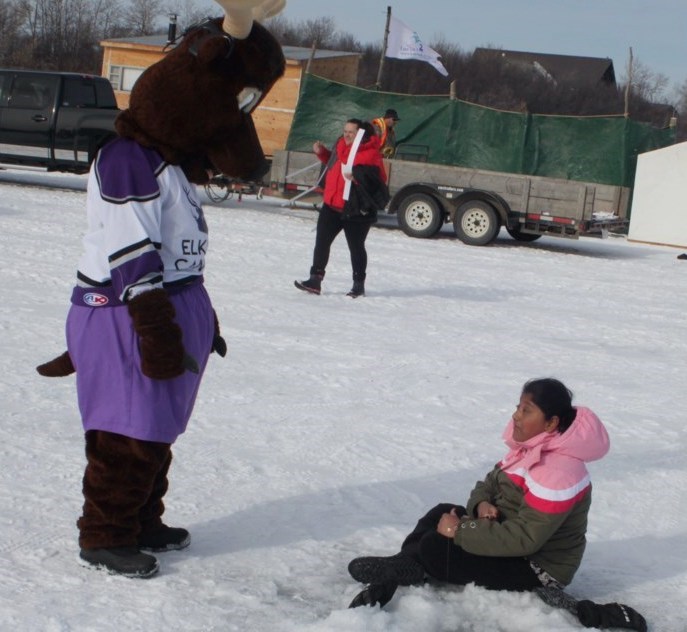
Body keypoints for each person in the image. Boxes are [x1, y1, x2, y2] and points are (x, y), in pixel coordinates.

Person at [34, 0, 286, 578]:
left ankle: (143, 519)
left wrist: (201, 318)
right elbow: (131, 251)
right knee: (127, 432)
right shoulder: (127, 158)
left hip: (170, 306)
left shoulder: (169, 164)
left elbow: (181, 251)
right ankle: (104, 533)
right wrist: (156, 328)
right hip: (127, 311)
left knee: (156, 429)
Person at [349, 378, 612, 607]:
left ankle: (414, 563)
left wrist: (459, 531)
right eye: (517, 408)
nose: (516, 416)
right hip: (508, 537)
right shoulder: (528, 449)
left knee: (436, 546)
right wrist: (482, 505)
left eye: (526, 410)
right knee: (441, 512)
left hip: (535, 566)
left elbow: (526, 539)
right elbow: (487, 484)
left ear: (551, 422)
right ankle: (404, 564)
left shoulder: (560, 472)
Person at [294, 118, 388, 298]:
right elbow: (333, 162)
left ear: (361, 134)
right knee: (321, 243)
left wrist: (358, 177)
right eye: (345, 131)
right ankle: (315, 280)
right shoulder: (340, 145)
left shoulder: (370, 154)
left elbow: (378, 181)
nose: (346, 134)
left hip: (355, 209)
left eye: (351, 132)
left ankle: (358, 285)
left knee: (356, 248)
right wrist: (322, 153)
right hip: (331, 205)